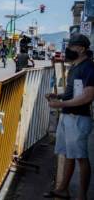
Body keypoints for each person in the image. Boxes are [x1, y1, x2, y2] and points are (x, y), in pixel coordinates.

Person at [44, 34, 94, 200]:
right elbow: (73, 93)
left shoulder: (89, 68)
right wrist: (58, 97)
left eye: (71, 47)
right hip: (68, 117)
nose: (68, 50)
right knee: (67, 154)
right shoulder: (74, 67)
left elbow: (87, 97)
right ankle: (62, 189)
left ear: (81, 48)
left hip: (78, 119)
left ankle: (82, 196)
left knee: (80, 157)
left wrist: (61, 104)